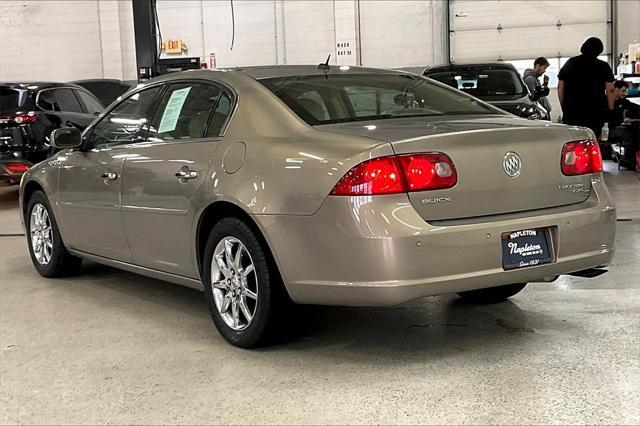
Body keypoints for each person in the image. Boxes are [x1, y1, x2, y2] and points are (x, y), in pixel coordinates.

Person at [557, 37, 615, 139]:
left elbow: (560, 87)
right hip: (595, 112)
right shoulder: (603, 66)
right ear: (599, 51)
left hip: (572, 112)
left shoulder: (570, 63)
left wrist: (564, 106)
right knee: (592, 141)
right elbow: (610, 90)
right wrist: (611, 109)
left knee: (572, 143)